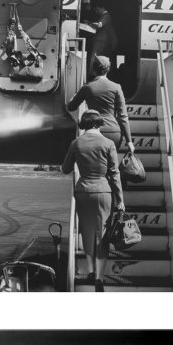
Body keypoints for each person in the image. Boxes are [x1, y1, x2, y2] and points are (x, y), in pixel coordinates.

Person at [62, 110, 125, 292]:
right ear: (98, 124)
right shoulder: (108, 143)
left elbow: (65, 169)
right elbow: (114, 173)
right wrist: (120, 199)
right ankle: (99, 277)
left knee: (86, 230)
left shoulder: (76, 143)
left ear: (84, 125)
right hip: (103, 191)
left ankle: (90, 270)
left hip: (83, 191)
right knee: (102, 235)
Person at [67, 55, 135, 153]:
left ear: (93, 69)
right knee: (111, 165)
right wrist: (129, 141)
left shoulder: (87, 88)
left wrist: (76, 94)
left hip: (95, 132)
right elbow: (123, 117)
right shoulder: (116, 87)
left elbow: (71, 107)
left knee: (96, 165)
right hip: (114, 132)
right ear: (108, 69)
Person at [88, 3, 118, 76]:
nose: (96, 11)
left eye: (97, 9)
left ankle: (93, 75)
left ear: (102, 8)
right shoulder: (104, 16)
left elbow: (99, 25)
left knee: (94, 58)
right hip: (100, 41)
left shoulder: (106, 16)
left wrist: (90, 24)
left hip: (100, 41)